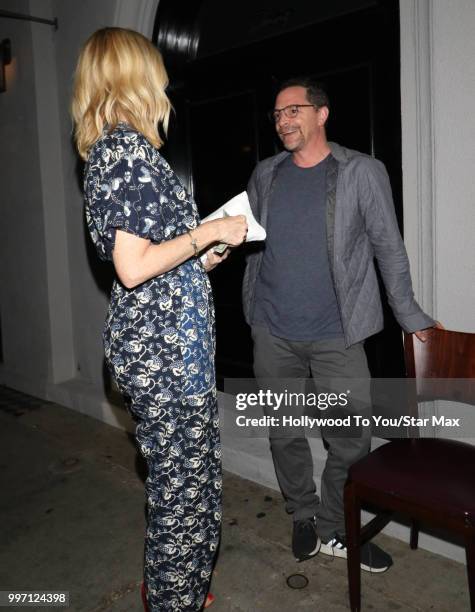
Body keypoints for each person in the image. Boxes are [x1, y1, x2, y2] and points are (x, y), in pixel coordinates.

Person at [71, 28, 247, 611]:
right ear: (131, 75)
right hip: (161, 357)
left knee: (191, 487)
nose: (164, 82)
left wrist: (202, 256)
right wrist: (210, 231)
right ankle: (174, 601)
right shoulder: (122, 151)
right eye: (154, 68)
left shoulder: (125, 151)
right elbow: (132, 266)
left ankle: (184, 594)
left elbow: (156, 263)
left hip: (170, 348)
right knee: (182, 494)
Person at [242, 76, 439, 572]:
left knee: (350, 438)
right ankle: (303, 514)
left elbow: (387, 247)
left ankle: (334, 524)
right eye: (278, 114)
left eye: (293, 110)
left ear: (321, 114)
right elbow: (252, 241)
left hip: (337, 334)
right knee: (284, 432)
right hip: (272, 330)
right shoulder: (265, 174)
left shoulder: (361, 172)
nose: (283, 120)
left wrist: (408, 312)